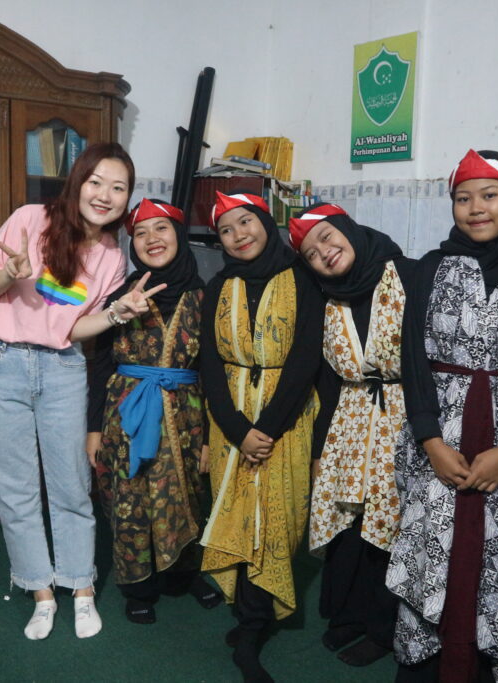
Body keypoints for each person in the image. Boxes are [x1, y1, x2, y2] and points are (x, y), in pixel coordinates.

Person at [387, 149, 498, 682]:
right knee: (430, 552)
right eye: (463, 199)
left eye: (489, 196)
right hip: (436, 440)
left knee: (494, 558)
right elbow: (412, 361)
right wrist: (430, 441)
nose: (475, 208)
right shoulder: (430, 270)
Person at [0, 142, 161, 641]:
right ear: (78, 181)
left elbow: (77, 327)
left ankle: (80, 587)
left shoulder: (111, 257)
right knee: (15, 489)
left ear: (126, 200)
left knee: (72, 483)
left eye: (118, 188)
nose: (105, 195)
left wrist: (121, 311)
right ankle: (39, 590)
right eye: (97, 181)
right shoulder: (30, 219)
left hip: (60, 368)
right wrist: (8, 275)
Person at [200, 192, 324, 682]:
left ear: (266, 223)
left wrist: (265, 429)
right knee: (234, 515)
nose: (238, 235)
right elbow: (208, 362)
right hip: (229, 416)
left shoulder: (302, 278)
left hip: (284, 418)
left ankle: (252, 622)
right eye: (226, 230)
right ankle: (249, 624)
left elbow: (305, 361)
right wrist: (235, 429)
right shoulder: (219, 284)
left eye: (246, 222)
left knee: (276, 519)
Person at [83, 198, 221, 625]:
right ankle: (137, 586)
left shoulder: (206, 295)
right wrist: (92, 429)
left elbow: (215, 369)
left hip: (188, 413)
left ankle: (185, 572)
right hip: (126, 412)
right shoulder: (119, 296)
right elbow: (100, 362)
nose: (151, 240)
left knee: (190, 494)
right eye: (140, 233)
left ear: (179, 236)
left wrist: (213, 434)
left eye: (160, 229)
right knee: (130, 499)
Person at [289, 203, 413, 667]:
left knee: (390, 527)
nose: (323, 252)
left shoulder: (407, 275)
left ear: (346, 229)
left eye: (326, 236)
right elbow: (324, 378)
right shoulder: (325, 294)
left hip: (401, 421)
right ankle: (348, 614)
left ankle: (384, 628)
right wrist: (321, 446)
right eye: (310, 252)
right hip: (349, 420)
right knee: (349, 525)